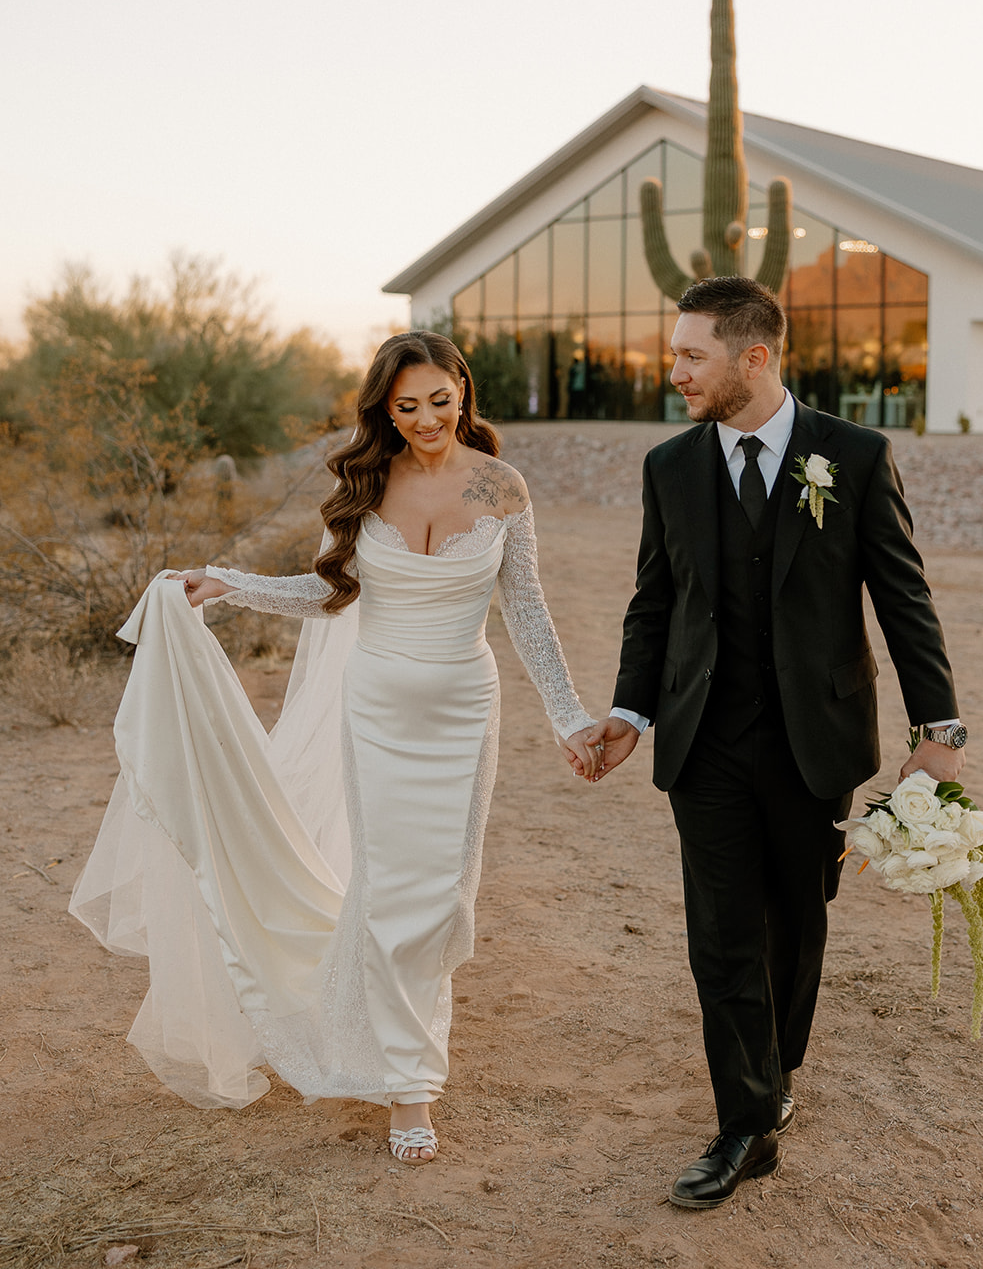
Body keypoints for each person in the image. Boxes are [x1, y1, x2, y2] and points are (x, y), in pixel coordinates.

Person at [71, 331, 599, 1165]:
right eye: (405, 406)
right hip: (378, 709)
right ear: (384, 411)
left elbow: (525, 613)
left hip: (464, 711)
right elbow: (329, 591)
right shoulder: (370, 482)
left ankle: (394, 1038)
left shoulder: (503, 487)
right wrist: (230, 584)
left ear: (462, 389)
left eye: (438, 398)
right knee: (392, 886)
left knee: (444, 895)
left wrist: (570, 720)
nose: (426, 418)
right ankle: (409, 1087)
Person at [575, 277, 965, 1209]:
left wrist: (937, 729)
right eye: (673, 354)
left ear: (752, 358)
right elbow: (652, 602)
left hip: (811, 738)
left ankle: (776, 1070)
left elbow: (901, 599)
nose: (673, 373)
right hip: (703, 739)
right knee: (720, 933)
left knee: (796, 919)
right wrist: (630, 714)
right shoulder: (669, 466)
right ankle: (744, 1120)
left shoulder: (854, 457)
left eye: (690, 356)